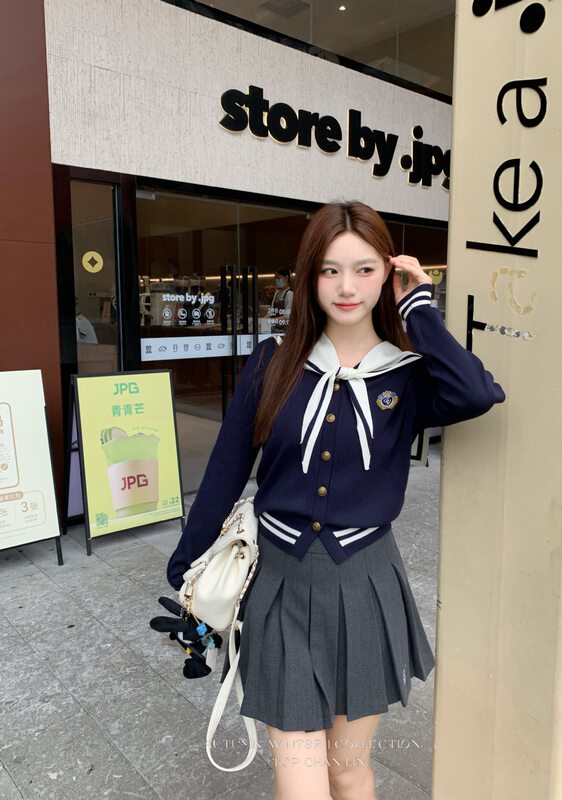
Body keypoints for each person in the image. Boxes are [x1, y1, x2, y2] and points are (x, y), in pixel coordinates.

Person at [166, 200, 505, 799]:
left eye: (364, 270)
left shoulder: (408, 375)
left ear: (387, 274)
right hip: (279, 584)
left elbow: (476, 392)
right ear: (309, 277)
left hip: (365, 583)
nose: (346, 287)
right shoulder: (273, 362)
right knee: (301, 783)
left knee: (347, 771)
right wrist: (187, 576)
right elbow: (224, 472)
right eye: (329, 270)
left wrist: (419, 309)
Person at [268, 266, 294, 334]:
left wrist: (270, 321)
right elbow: (271, 311)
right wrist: (262, 321)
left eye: (278, 278)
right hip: (275, 330)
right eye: (275, 279)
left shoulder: (289, 294)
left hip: (286, 332)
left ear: (286, 277)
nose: (277, 281)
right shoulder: (277, 293)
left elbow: (287, 317)